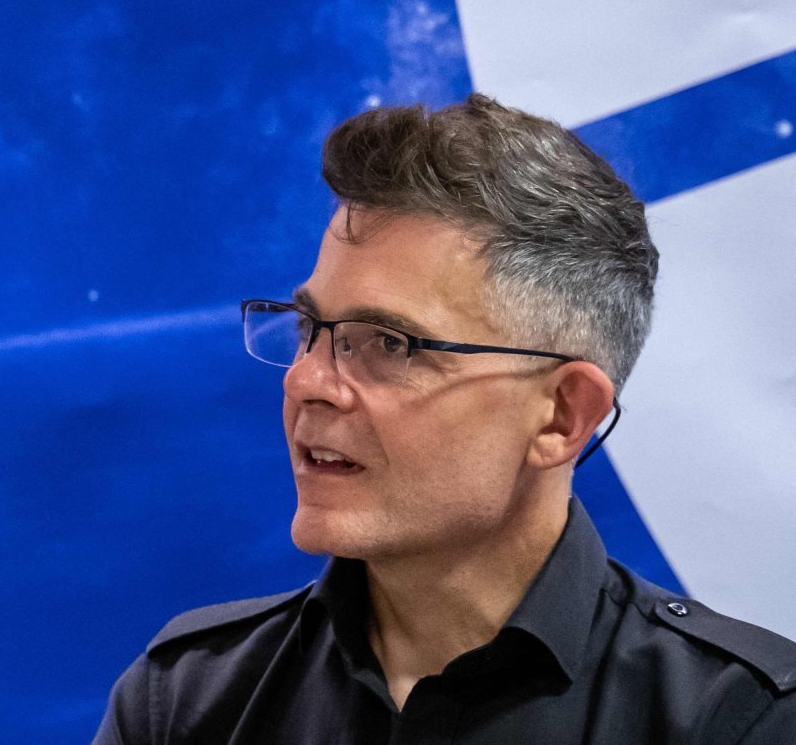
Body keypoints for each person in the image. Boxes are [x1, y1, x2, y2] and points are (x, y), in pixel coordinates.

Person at [93, 94, 796, 744]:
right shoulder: (185, 703)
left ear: (562, 414)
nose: (308, 379)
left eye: (387, 343)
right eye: (309, 326)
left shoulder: (734, 720)